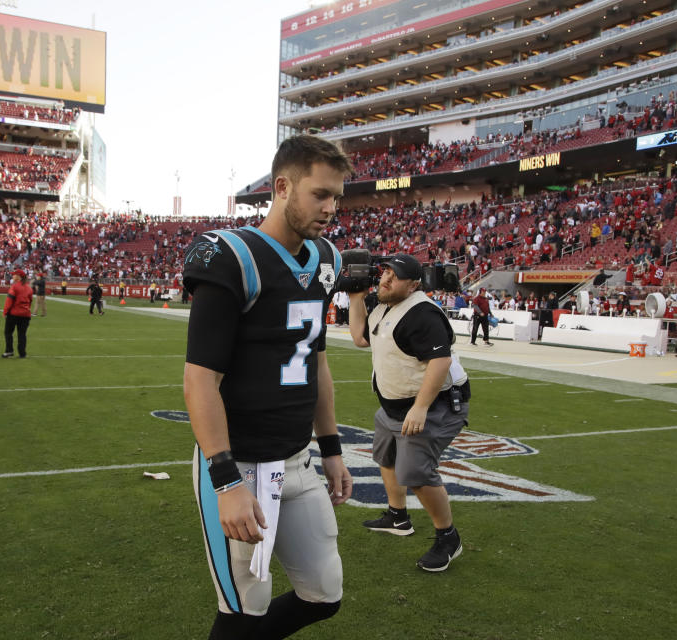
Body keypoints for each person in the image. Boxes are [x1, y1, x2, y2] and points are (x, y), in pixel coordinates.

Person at [183, 135, 353, 638]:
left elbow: (316, 362)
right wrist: (227, 481)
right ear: (282, 187)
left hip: (298, 461)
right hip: (241, 465)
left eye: (337, 197)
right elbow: (199, 381)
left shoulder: (327, 260)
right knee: (242, 608)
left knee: (324, 594)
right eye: (320, 194)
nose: (331, 208)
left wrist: (333, 448)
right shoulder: (232, 255)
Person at [348, 253, 470, 572]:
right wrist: (356, 298)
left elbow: (440, 362)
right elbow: (361, 338)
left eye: (394, 275)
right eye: (385, 272)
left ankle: (448, 537)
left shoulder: (422, 313)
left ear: (413, 283)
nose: (385, 279)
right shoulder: (385, 305)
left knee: (415, 471)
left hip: (435, 404)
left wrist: (420, 407)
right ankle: (398, 516)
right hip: (395, 406)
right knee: (386, 456)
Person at [2, 269, 32, 358]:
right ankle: (22, 353)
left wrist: (5, 312)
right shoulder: (29, 288)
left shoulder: (14, 287)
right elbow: (30, 301)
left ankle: (9, 351)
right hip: (25, 314)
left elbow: (9, 301)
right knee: (22, 334)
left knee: (8, 332)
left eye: (14, 274)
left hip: (14, 314)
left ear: (18, 276)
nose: (12, 276)